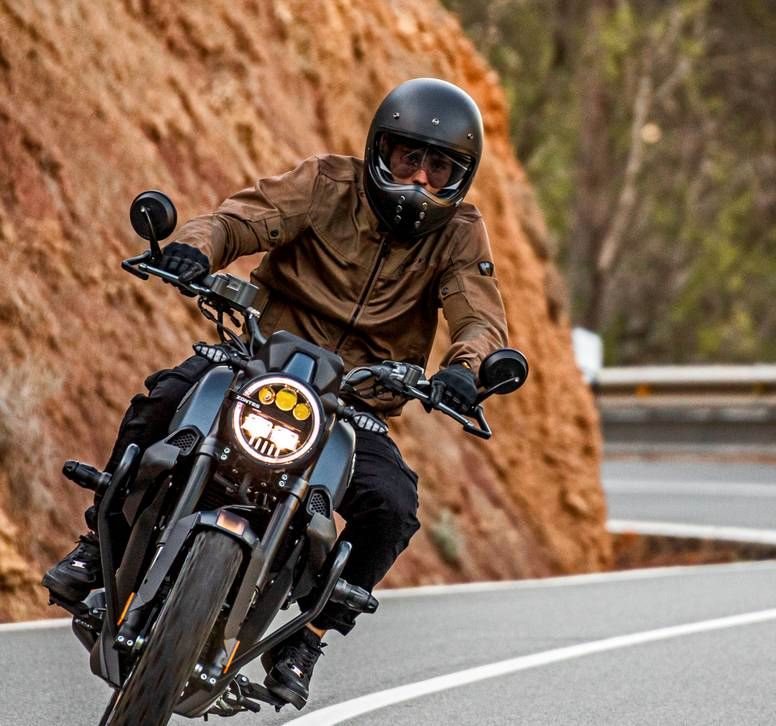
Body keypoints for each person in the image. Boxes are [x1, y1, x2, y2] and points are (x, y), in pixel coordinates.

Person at [42, 77, 508, 709]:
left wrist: (465, 369)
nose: (420, 178)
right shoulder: (326, 184)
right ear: (381, 150)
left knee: (392, 505)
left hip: (353, 403)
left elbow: (478, 317)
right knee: (164, 400)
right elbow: (242, 219)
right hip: (259, 361)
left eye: (439, 167)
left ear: (459, 177)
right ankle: (96, 547)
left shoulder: (459, 235)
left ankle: (308, 638)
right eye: (408, 158)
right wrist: (195, 249)